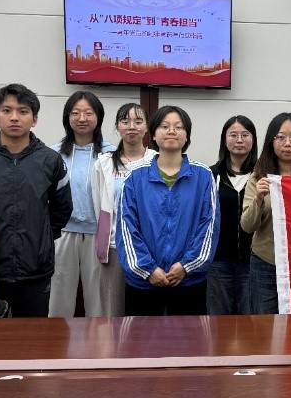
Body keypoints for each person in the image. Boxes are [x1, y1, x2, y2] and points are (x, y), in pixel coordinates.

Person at [0, 83, 73, 317]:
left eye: (23, 111)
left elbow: (62, 209)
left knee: (33, 335)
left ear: (34, 119)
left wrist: (40, 237)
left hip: (36, 270)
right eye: (6, 110)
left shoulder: (50, 160)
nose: (15, 117)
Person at [118, 105, 219, 316]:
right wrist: (148, 269)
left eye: (178, 127)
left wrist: (186, 266)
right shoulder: (135, 178)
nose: (171, 131)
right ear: (154, 134)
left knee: (189, 337)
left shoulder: (203, 176)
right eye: (164, 126)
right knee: (140, 337)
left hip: (189, 280)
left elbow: (209, 226)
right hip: (143, 282)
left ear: (187, 135)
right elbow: (127, 228)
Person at [241, 113, 291, 314]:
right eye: (280, 137)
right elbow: (247, 226)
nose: (288, 143)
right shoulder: (258, 177)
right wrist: (258, 199)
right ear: (271, 141)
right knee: (264, 325)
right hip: (265, 263)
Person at [49, 91, 114, 318]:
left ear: (99, 117)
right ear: (67, 117)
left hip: (99, 234)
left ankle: (100, 341)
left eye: (88, 113)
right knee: (58, 297)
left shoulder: (111, 154)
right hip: (63, 233)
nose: (82, 118)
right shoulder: (53, 154)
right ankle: (55, 339)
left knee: (99, 301)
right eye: (75, 113)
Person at [91, 103, 156, 317]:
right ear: (117, 127)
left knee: (146, 315)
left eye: (138, 121)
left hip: (149, 248)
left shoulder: (156, 161)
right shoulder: (104, 163)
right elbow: (98, 205)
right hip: (114, 246)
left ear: (147, 127)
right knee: (113, 313)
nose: (132, 126)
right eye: (125, 121)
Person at [207, 115, 258, 314]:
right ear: (224, 139)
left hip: (253, 262)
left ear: (253, 139)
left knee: (250, 322)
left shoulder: (262, 175)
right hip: (218, 262)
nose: (239, 140)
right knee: (218, 322)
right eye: (233, 135)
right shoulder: (211, 175)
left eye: (245, 135)